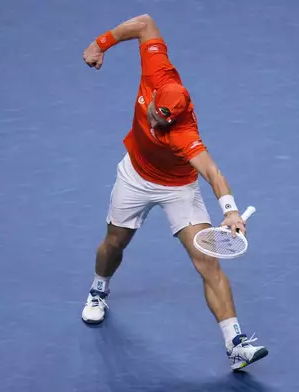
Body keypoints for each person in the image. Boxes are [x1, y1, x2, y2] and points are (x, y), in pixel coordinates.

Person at [81, 14, 268, 370]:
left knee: (207, 262)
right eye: (154, 113)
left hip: (178, 189)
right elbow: (144, 22)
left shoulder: (184, 136)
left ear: (177, 116)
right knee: (114, 244)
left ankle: (236, 343)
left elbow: (212, 172)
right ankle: (99, 287)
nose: (154, 121)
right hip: (134, 176)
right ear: (154, 95)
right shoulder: (158, 71)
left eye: (163, 120)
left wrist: (229, 210)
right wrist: (100, 43)